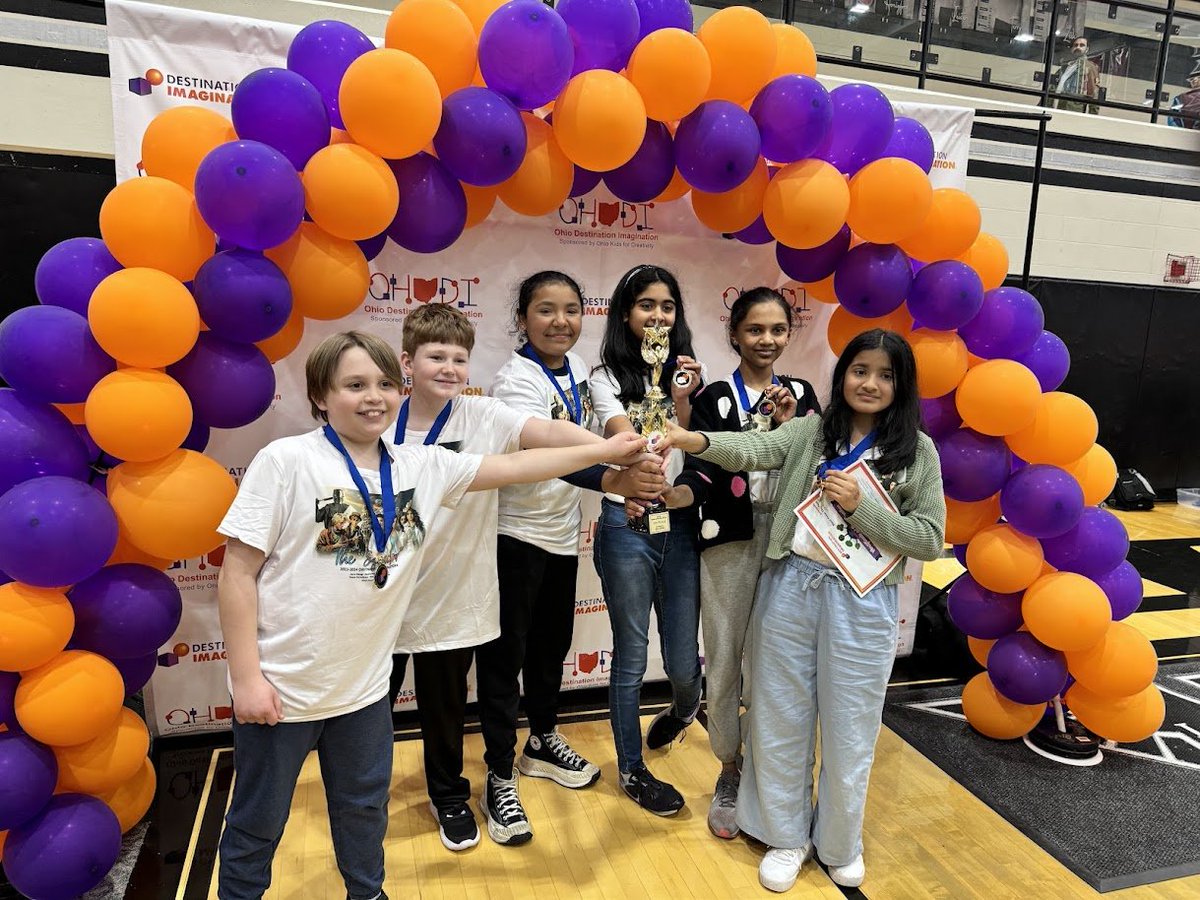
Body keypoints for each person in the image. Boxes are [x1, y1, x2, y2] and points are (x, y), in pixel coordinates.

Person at [215, 330, 647, 900]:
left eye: (383, 385)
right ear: (321, 395)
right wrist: (247, 679)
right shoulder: (288, 461)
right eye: (354, 386)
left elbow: (524, 465)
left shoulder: (424, 465)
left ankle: (367, 893)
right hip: (284, 689)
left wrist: (604, 450)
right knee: (258, 823)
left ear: (400, 388)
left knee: (365, 810)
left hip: (363, 691)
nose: (373, 397)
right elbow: (236, 574)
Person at [667, 329, 945, 893]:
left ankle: (841, 841)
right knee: (778, 716)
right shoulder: (811, 430)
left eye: (886, 375)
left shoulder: (917, 451)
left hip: (863, 601)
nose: (870, 383)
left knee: (851, 727)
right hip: (790, 589)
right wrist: (688, 438)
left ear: (903, 385)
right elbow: (749, 449)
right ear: (842, 375)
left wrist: (861, 507)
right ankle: (784, 834)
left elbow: (929, 538)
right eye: (859, 370)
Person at [475, 271, 667, 846]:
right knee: (504, 656)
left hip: (561, 533)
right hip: (515, 534)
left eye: (571, 310)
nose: (560, 321)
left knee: (551, 646)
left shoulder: (580, 369)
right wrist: (615, 475)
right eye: (544, 310)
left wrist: (639, 454)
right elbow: (547, 447)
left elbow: (603, 428)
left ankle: (541, 740)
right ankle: (498, 773)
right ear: (523, 320)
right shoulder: (516, 380)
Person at [631, 288, 820, 840]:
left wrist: (790, 427)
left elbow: (812, 464)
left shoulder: (804, 396)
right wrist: (670, 497)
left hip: (788, 542)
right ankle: (730, 770)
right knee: (725, 655)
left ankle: (772, 772)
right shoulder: (715, 395)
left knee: (779, 661)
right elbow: (705, 471)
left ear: (789, 335)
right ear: (734, 333)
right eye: (755, 330)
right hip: (728, 539)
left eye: (778, 330)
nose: (767, 340)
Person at [589, 263, 706, 816]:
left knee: (684, 663)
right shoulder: (605, 376)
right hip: (627, 521)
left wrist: (684, 396)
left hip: (677, 524)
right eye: (646, 306)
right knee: (632, 657)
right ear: (625, 313)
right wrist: (642, 457)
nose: (657, 316)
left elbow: (699, 442)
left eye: (667, 306)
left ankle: (685, 711)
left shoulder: (687, 374)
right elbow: (622, 436)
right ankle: (631, 769)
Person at [1052, 35, 1100, 115]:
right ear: (1072, 49)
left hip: (1073, 111)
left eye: (1082, 45)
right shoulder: (1065, 67)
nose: (1078, 47)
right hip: (1056, 108)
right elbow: (1052, 87)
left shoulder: (1090, 67)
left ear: (1087, 49)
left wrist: (1093, 116)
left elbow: (1094, 93)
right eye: (1075, 45)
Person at [1167, 64, 1200, 128]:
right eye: (1192, 79)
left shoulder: (1180, 98)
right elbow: (1172, 118)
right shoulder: (1180, 98)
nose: (1194, 80)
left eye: (1198, 77)